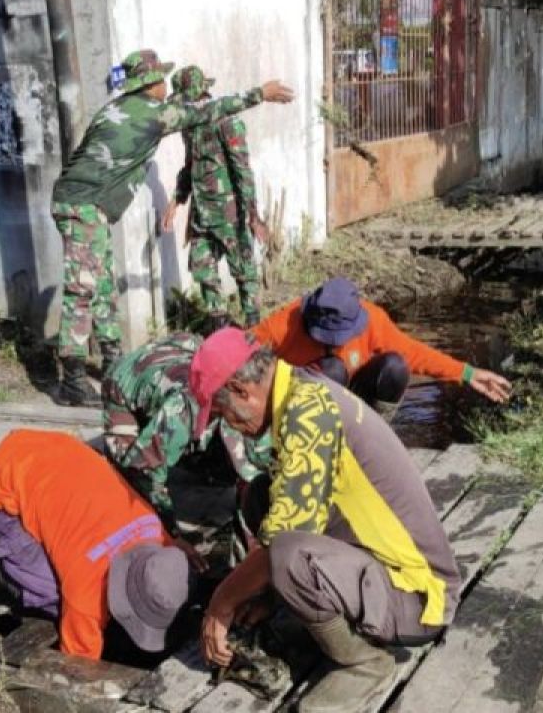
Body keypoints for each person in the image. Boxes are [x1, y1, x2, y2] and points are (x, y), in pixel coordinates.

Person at [189, 328, 461, 712]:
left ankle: (363, 662)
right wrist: (264, 593)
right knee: (263, 494)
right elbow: (286, 507)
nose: (229, 426)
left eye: (223, 414)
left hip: (417, 599)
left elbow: (283, 540)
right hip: (387, 571)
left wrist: (222, 602)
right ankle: (311, 613)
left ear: (241, 390)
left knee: (287, 551)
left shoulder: (308, 412)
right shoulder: (300, 388)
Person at [49, 48, 294, 407]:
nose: (166, 86)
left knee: (102, 285)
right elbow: (204, 112)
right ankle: (72, 379)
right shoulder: (150, 113)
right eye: (162, 80)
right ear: (150, 85)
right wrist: (260, 93)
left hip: (89, 207)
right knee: (83, 289)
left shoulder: (115, 109)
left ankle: (114, 363)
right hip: (83, 207)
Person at [0, 428, 203, 660]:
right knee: (50, 596)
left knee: (61, 547)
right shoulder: (85, 593)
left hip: (52, 448)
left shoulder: (157, 533)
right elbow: (77, 662)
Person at [251, 276, 511, 420]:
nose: (333, 343)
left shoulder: (372, 318)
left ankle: (375, 434)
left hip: (353, 397)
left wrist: (467, 373)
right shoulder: (285, 324)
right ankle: (324, 444)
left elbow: (413, 353)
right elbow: (240, 353)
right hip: (303, 406)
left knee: (395, 366)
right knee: (331, 370)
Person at [99, 331, 270, 535]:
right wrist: (170, 533)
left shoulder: (252, 389)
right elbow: (145, 472)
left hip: (180, 351)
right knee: (129, 483)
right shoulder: (180, 412)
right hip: (124, 381)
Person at [161, 65, 267, 331]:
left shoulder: (227, 122)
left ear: (195, 96)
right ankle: (219, 330)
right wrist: (176, 201)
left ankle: (255, 331)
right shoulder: (190, 127)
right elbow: (189, 166)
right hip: (201, 215)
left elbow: (242, 170)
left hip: (229, 214)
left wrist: (253, 215)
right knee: (203, 271)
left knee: (243, 271)